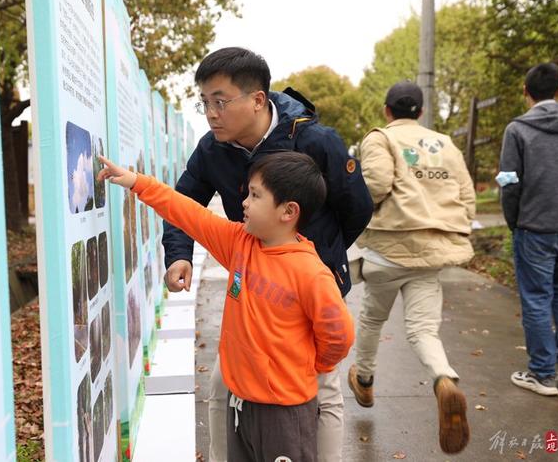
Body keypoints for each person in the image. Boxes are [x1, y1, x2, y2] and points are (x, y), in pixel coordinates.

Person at [161, 47, 373, 462]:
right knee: (224, 387)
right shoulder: (212, 149)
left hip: (309, 291)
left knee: (322, 390)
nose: (210, 113)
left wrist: (313, 262)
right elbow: (184, 201)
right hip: (252, 295)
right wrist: (178, 253)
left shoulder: (316, 142)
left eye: (220, 101)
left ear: (257, 99)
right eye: (204, 102)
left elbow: (357, 209)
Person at [98, 152, 355, 461]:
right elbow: (189, 213)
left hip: (285, 413)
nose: (244, 202)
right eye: (248, 192)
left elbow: (339, 334)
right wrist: (137, 183)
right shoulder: (240, 243)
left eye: (256, 195)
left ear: (288, 211)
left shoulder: (310, 273)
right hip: (240, 405)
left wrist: (315, 365)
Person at [347, 80, 474, 455]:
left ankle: (365, 380)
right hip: (431, 251)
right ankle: (443, 378)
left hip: (387, 249)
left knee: (372, 319)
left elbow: (376, 185)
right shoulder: (444, 144)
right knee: (422, 329)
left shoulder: (380, 139)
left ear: (388, 111)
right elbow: (466, 194)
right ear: (419, 112)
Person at [498, 62, 558, 397]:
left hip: (535, 227)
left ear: (526, 92)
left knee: (537, 299)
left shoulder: (518, 130)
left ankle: (542, 373)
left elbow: (509, 183)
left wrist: (514, 221)